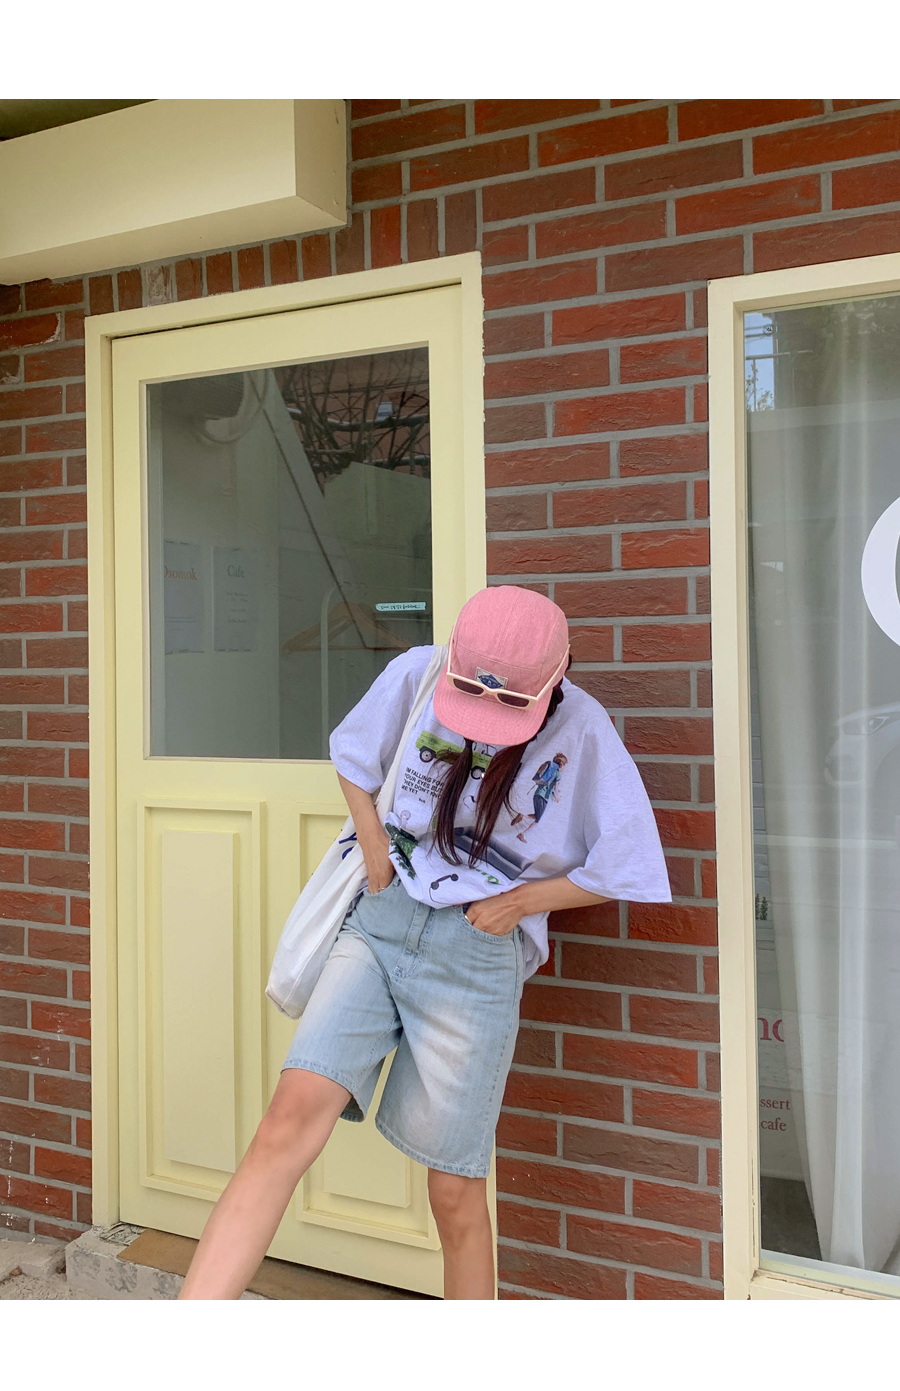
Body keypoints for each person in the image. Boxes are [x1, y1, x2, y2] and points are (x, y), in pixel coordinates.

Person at [179, 586, 671, 1300]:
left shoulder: (583, 729)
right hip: (381, 923)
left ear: (557, 675)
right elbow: (354, 755)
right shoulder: (418, 673)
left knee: (453, 1192)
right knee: (286, 1123)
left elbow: (626, 862)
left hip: (474, 956)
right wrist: (374, 846)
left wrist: (520, 903)